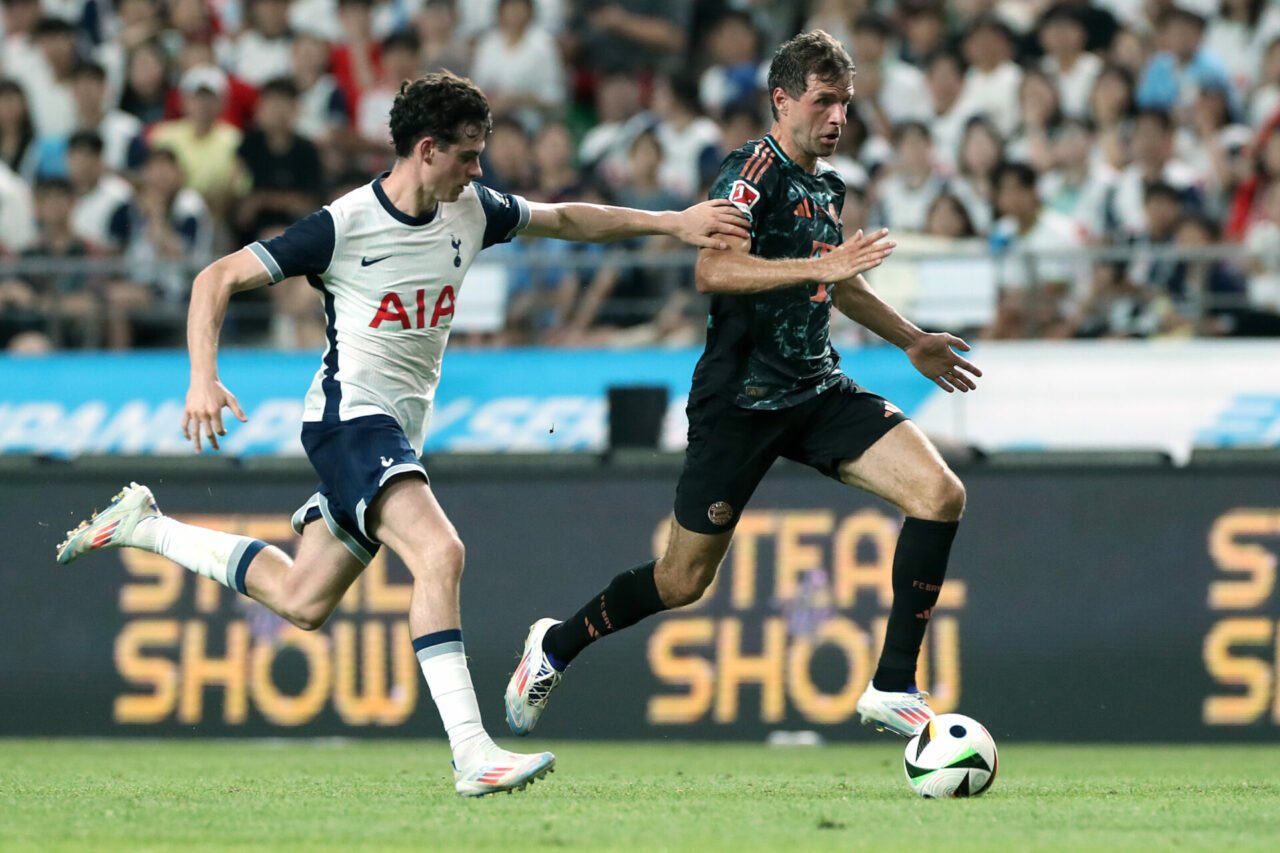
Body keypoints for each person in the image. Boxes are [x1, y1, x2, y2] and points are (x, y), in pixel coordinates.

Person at [54, 71, 750, 797]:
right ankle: (472, 750)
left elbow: (566, 218)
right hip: (350, 421)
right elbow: (215, 277)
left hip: (395, 433)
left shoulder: (472, 209)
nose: (480, 170)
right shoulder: (345, 224)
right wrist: (203, 375)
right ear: (427, 149)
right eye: (469, 155)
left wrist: (671, 223)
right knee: (440, 550)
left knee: (302, 596)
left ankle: (147, 527)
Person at [504, 31, 981, 742]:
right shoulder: (749, 173)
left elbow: (838, 281)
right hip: (740, 403)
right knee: (681, 581)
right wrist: (822, 266)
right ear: (782, 100)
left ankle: (892, 682)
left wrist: (910, 338)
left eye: (846, 104)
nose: (838, 118)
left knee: (941, 494)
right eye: (824, 101)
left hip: (817, 390)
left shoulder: (827, 182)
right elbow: (714, 271)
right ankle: (555, 644)